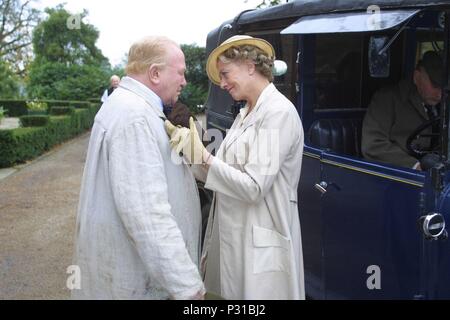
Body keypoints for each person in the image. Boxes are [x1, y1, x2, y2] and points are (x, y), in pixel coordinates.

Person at [165, 35, 305, 300]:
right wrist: (191, 151)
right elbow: (223, 174)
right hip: (235, 238)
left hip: (261, 242)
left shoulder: (278, 113)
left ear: (250, 64)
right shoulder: (245, 114)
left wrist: (204, 157)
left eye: (226, 74)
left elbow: (253, 187)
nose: (223, 84)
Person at [72, 36, 205, 300]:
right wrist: (188, 287)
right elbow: (146, 214)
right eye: (180, 73)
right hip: (136, 285)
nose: (184, 82)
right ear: (155, 73)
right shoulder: (135, 117)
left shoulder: (129, 106)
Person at [362, 50, 444, 169]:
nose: (440, 95)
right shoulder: (388, 98)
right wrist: (414, 166)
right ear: (417, 77)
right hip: (395, 177)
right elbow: (373, 145)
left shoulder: (443, 104)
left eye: (444, 88)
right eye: (435, 86)